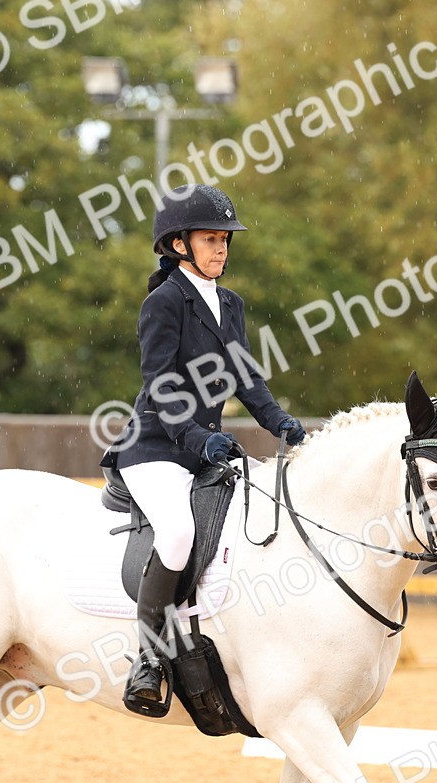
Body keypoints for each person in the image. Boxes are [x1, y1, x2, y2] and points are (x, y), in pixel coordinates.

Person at [101, 184, 305, 717]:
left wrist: (278, 421)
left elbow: (245, 376)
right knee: (177, 533)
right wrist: (197, 437)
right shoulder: (164, 302)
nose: (221, 248)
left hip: (201, 449)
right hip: (154, 447)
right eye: (211, 239)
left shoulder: (230, 304)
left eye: (225, 240)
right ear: (179, 245)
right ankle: (148, 659)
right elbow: (161, 385)